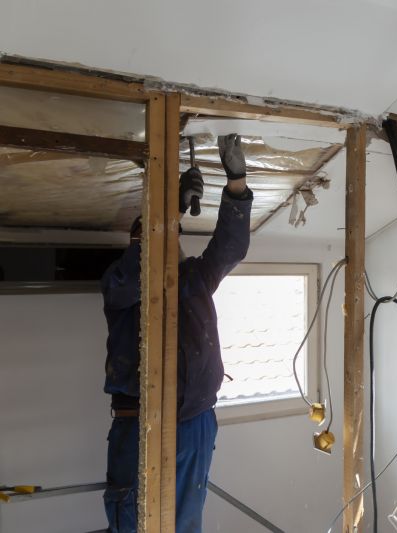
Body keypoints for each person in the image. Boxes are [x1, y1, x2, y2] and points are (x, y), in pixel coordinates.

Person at [101, 134, 252, 532]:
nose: (172, 242)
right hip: (140, 423)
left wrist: (236, 181)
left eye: (173, 236)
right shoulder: (122, 283)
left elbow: (230, 248)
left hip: (197, 418)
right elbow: (138, 270)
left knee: (185, 522)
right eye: (159, 236)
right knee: (135, 520)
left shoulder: (196, 279)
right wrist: (172, 210)